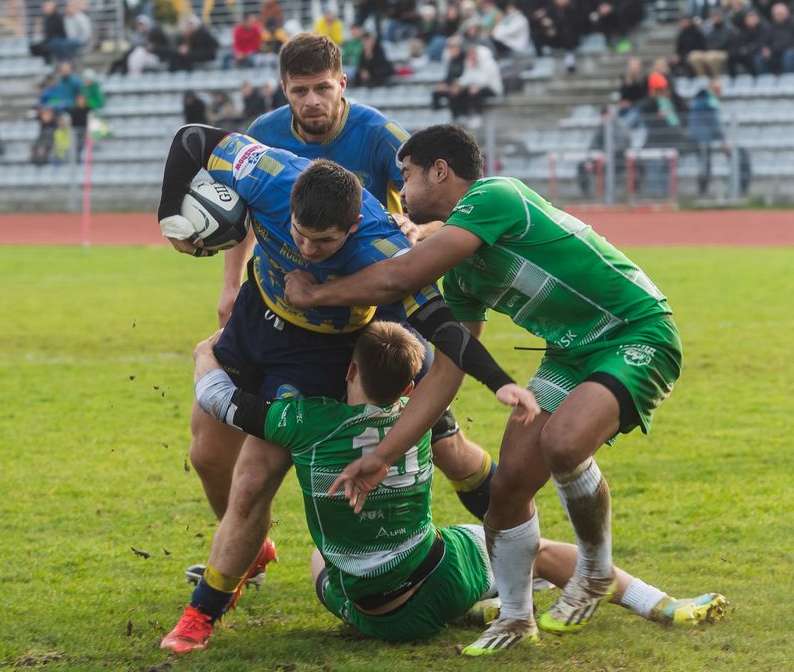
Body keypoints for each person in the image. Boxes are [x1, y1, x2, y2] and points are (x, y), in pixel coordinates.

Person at [284, 124, 690, 656]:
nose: (401, 191)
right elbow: (446, 375)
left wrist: (318, 295)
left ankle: (594, 571)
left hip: (636, 330)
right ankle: (518, 617)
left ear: (440, 170)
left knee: (563, 442)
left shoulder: (497, 195)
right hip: (570, 353)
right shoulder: (466, 276)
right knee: (508, 487)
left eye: (404, 176)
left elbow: (396, 280)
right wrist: (384, 455)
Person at [157, 126, 540, 649]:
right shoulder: (268, 174)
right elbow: (192, 140)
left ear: (354, 224)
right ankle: (254, 550)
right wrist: (170, 215)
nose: (309, 250)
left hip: (325, 355)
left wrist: (499, 381)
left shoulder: (381, 243)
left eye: (326, 242)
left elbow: (442, 324)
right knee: (206, 455)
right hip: (255, 319)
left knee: (258, 474)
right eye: (300, 234)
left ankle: (202, 614)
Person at [160, 322, 729, 652]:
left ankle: (486, 607)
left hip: (377, 616)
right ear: (412, 385)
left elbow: (219, 400)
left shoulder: (304, 420)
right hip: (444, 571)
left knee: (322, 560)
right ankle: (661, 606)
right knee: (539, 552)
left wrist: (206, 353)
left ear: (349, 372)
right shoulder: (422, 416)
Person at [222, 33, 501, 529]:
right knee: (238, 456)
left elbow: (455, 203)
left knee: (444, 445)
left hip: (381, 314)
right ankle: (250, 553)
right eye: (299, 90)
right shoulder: (262, 134)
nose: (311, 101)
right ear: (283, 88)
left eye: (323, 89)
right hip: (291, 317)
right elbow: (246, 211)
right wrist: (228, 286)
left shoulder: (380, 135)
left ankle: (513, 535)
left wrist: (421, 228)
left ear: (342, 84)